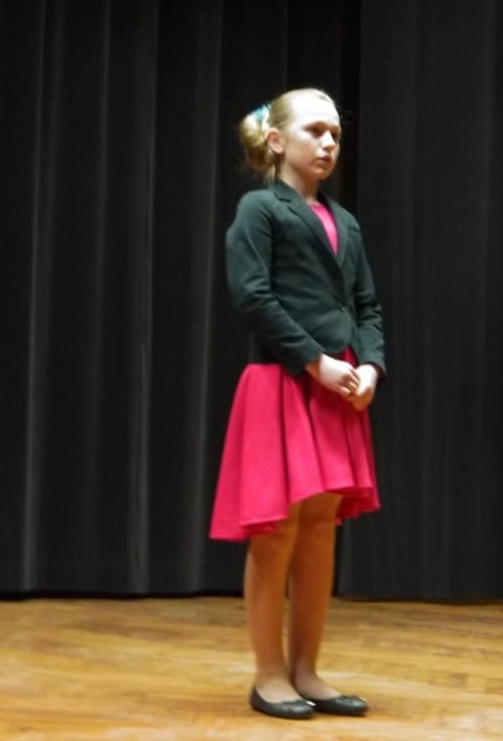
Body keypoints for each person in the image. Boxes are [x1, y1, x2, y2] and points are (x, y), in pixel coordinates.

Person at [209, 88, 386, 721]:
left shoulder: (347, 222)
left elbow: (366, 305)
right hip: (283, 382)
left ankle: (307, 669)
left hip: (337, 388)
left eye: (335, 133)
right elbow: (253, 296)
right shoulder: (260, 209)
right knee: (277, 531)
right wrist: (315, 360)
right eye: (315, 130)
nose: (329, 142)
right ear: (278, 141)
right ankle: (269, 675)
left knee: (317, 531)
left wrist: (371, 365)